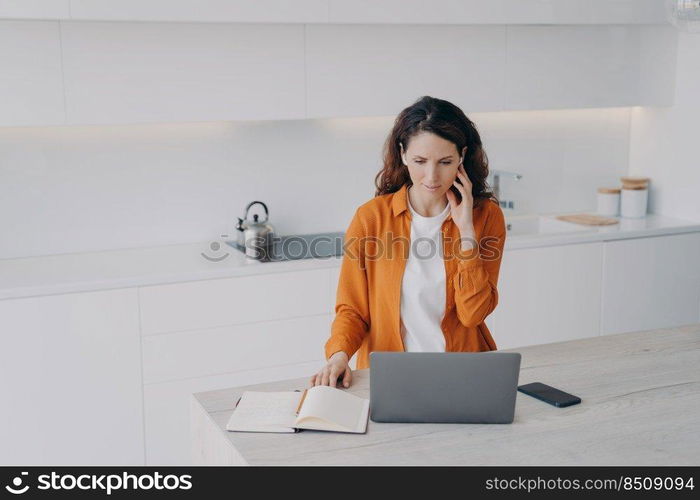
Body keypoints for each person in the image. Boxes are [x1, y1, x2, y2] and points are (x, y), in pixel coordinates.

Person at [309, 96, 506, 388]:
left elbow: (472, 314)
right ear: (402, 154)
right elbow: (352, 309)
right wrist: (338, 356)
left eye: (445, 162)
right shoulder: (371, 218)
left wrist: (466, 231)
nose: (432, 176)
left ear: (462, 156)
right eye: (420, 161)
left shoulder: (485, 217)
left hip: (463, 371)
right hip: (391, 376)